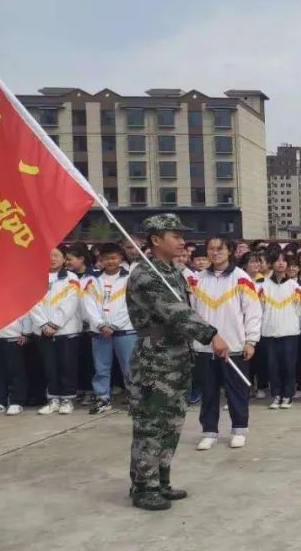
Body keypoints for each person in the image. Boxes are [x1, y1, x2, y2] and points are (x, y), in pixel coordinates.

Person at [126, 214, 229, 511]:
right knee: (151, 424)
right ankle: (144, 486)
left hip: (176, 356)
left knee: (171, 423)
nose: (183, 241)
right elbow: (176, 312)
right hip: (154, 360)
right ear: (156, 239)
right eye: (176, 236)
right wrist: (211, 335)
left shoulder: (172, 272)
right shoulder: (146, 275)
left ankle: (161, 480)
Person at [188, 237, 261, 450]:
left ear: (229, 251)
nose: (215, 253)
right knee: (209, 392)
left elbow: (253, 311)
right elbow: (192, 312)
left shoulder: (241, 278)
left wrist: (251, 341)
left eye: (220, 249)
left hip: (234, 346)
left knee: (236, 392)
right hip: (205, 347)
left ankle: (239, 429)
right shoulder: (197, 279)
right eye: (211, 249)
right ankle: (209, 432)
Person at [83, 242, 136, 414]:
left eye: (113, 258)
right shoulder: (93, 280)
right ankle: (102, 398)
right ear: (100, 260)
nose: (110, 261)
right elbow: (89, 304)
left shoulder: (130, 279)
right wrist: (100, 324)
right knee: (101, 367)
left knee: (129, 366)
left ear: (120, 258)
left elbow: (131, 305)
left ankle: (134, 398)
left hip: (125, 330)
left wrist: (114, 325)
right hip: (100, 332)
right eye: (106, 258)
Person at [30, 247, 82, 415]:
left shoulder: (71, 277)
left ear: (64, 259)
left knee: (67, 366)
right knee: (49, 367)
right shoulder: (35, 277)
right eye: (48, 255)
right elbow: (32, 303)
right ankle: (53, 399)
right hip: (43, 331)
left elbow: (71, 302)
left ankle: (67, 399)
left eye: (56, 255)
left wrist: (54, 324)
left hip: (66, 330)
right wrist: (43, 324)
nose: (52, 259)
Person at [259, 251, 301, 409]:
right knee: (273, 366)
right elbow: (260, 309)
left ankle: (288, 395)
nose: (281, 263)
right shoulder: (263, 286)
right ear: (271, 264)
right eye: (277, 260)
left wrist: (295, 325)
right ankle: (276, 394)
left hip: (290, 332)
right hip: (270, 332)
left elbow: (300, 311)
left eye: (284, 261)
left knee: (289, 365)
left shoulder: (295, 286)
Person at [0, 312, 30, 416]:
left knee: (16, 371)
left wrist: (26, 333)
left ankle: (16, 401)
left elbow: (26, 313)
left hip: (13, 337)